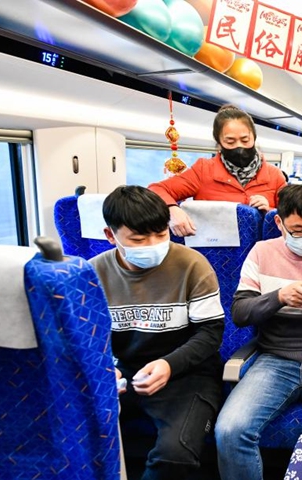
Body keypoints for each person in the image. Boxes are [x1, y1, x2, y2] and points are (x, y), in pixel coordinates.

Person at [215, 184, 302, 480]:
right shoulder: (261, 253)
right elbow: (240, 313)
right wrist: (279, 297)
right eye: (298, 231)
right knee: (230, 431)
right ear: (279, 223)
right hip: (273, 360)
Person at [91, 186, 224, 480]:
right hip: (121, 373)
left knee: (176, 455)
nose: (153, 245)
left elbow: (210, 334)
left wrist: (169, 364)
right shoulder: (92, 274)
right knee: (77, 437)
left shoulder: (192, 265)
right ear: (110, 236)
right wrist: (103, 369)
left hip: (186, 374)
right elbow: (85, 340)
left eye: (161, 234)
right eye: (139, 240)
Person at [149, 104, 286, 236]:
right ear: (219, 143)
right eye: (230, 142)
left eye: (245, 140)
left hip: (262, 248)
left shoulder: (275, 175)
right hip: (213, 246)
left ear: (254, 138)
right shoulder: (203, 170)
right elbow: (156, 190)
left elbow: (291, 218)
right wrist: (172, 209)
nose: (239, 147)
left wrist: (270, 211)